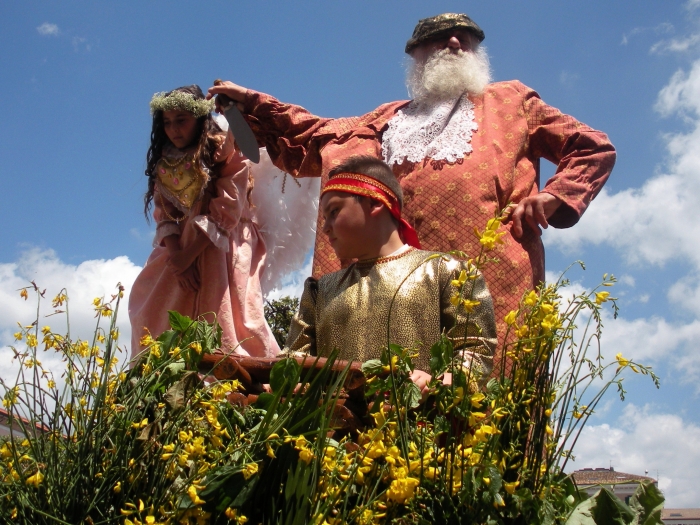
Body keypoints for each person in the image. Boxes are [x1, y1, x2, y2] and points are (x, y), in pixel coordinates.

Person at [207, 13, 616, 365]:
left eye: (466, 37)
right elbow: (311, 134)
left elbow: (590, 145)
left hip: (491, 277)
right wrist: (253, 104)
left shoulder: (512, 102)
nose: (454, 42)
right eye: (438, 39)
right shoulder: (381, 120)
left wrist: (555, 195)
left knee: (483, 406)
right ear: (415, 55)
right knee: (367, 406)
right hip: (381, 292)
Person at [285, 156, 497, 393]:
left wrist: (439, 382)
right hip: (333, 427)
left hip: (417, 424)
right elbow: (293, 364)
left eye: (334, 211)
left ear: (375, 203)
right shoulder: (320, 291)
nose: (325, 227)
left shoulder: (446, 273)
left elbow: (476, 351)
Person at [128, 85, 280, 360]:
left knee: (229, 313)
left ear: (199, 119)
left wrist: (189, 255)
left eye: (181, 120)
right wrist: (177, 257)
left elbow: (229, 207)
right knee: (151, 303)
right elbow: (165, 212)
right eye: (167, 122)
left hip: (224, 242)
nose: (173, 129)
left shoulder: (223, 151)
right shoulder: (166, 163)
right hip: (181, 247)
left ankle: (231, 373)